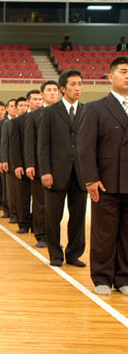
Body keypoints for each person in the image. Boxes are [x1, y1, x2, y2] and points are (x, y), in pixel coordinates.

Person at [78, 56, 128, 296]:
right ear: (110, 77)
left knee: (127, 233)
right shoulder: (95, 107)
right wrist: (90, 178)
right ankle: (102, 278)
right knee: (104, 232)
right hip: (105, 182)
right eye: (123, 71)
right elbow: (85, 147)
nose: (127, 76)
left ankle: (124, 277)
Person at [38, 69, 87, 268]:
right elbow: (43, 144)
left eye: (80, 84)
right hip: (56, 173)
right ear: (63, 89)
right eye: (73, 84)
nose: (78, 88)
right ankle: (55, 254)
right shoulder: (50, 112)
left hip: (81, 173)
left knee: (78, 218)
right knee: (53, 217)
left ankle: (74, 254)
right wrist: (45, 171)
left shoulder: (87, 111)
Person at [24, 80, 60, 247]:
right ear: (42, 94)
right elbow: (29, 142)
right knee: (39, 202)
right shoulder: (34, 116)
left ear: (60, 93)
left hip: (60, 166)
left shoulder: (64, 113)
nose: (52, 93)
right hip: (39, 165)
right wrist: (30, 163)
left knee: (55, 206)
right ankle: (41, 235)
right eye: (49, 90)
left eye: (55, 90)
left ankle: (54, 238)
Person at [9, 90, 43, 234]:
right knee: (23, 196)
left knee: (39, 200)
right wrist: (17, 165)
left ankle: (38, 226)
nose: (38, 102)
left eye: (40, 99)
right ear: (28, 101)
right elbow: (15, 145)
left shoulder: (46, 116)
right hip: (23, 163)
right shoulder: (18, 121)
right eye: (35, 99)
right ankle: (23, 223)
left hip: (40, 165)